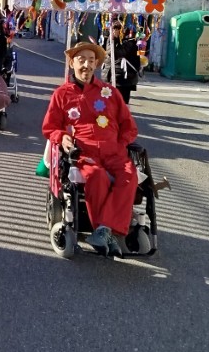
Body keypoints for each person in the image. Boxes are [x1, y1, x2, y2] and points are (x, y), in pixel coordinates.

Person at [41, 39, 139, 257]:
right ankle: (106, 231)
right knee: (96, 177)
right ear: (72, 63)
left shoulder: (110, 93)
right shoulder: (62, 94)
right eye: (81, 59)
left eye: (91, 60)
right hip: (84, 153)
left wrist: (119, 144)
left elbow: (129, 127)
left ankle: (104, 230)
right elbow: (50, 128)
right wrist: (62, 137)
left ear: (96, 65)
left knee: (129, 175)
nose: (86, 64)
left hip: (113, 151)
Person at [100, 20, 141, 104]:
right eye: (112, 29)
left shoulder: (129, 42)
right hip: (110, 76)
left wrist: (112, 40)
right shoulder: (110, 39)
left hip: (122, 79)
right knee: (108, 105)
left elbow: (114, 53)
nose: (113, 32)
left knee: (121, 105)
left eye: (116, 29)